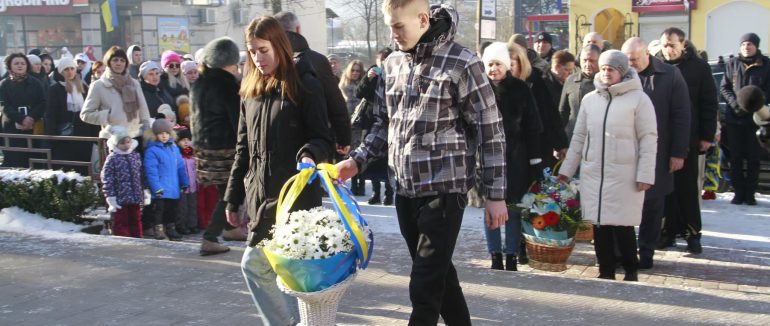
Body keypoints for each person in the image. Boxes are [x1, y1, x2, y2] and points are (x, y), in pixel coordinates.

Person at [336, 2, 507, 324]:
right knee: (439, 275)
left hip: (445, 186)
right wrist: (357, 162)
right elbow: (382, 124)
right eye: (390, 26)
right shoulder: (392, 64)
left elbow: (490, 130)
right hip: (404, 187)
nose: (393, 34)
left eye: (399, 26)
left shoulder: (462, 62)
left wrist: (495, 194)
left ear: (423, 20)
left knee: (425, 283)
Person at [225, 16, 332, 325]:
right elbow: (242, 150)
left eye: (264, 50)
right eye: (252, 51)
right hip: (260, 197)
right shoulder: (250, 91)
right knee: (281, 271)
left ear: (280, 47)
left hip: (295, 200)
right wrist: (233, 199)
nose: (258, 58)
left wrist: (310, 153)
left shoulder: (304, 84)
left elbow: (323, 137)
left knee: (257, 265)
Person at [558, 50, 658, 282]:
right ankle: (606, 269)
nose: (605, 73)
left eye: (610, 69)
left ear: (621, 72)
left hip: (625, 173)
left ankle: (630, 269)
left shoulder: (639, 100)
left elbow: (648, 138)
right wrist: (567, 170)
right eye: (603, 68)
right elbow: (579, 137)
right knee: (599, 224)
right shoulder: (590, 100)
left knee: (622, 225)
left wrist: (645, 174)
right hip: (595, 172)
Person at [621, 37, 691, 270]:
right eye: (627, 60)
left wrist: (678, 152)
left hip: (658, 152)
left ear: (647, 55)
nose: (630, 65)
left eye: (634, 60)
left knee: (652, 204)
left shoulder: (669, 75)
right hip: (624, 153)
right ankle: (625, 251)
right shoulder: (620, 75)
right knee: (625, 203)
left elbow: (681, 116)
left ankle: (647, 251)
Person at [656, 28, 718, 254]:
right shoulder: (656, 66)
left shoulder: (699, 68)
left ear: (683, 44)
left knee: (687, 188)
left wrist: (706, 136)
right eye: (664, 45)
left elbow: (709, 103)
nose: (668, 50)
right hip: (661, 138)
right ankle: (667, 232)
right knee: (664, 189)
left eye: (672, 45)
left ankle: (693, 234)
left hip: (688, 138)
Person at [481, 42, 543, 271]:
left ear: (506, 65)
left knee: (514, 208)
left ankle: (512, 255)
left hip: (515, 157)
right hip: (486, 157)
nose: (493, 69)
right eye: (489, 64)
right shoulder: (479, 89)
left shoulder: (520, 89)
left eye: (498, 63)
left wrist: (535, 161)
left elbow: (533, 126)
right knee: (491, 207)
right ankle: (495, 254)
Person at [190, 37, 247, 256]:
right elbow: (237, 120)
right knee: (231, 192)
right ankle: (210, 237)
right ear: (229, 61)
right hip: (225, 147)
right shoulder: (227, 84)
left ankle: (231, 229)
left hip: (204, 147)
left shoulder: (200, 82)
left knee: (225, 190)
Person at [274, 11, 353, 158]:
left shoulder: (266, 62)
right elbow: (335, 101)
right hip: (312, 144)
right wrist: (343, 137)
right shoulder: (317, 61)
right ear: (298, 30)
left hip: (275, 145)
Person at [81, 45, 151, 174]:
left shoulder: (134, 83)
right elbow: (85, 114)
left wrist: (146, 130)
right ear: (109, 62)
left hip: (135, 137)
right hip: (113, 140)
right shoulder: (99, 85)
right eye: (115, 60)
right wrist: (108, 115)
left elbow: (143, 110)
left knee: (136, 180)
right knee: (117, 181)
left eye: (122, 60)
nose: (119, 63)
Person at [719, 33, 770, 205]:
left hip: (755, 119)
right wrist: (736, 105)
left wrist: (754, 103)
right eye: (743, 44)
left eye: (749, 44)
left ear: (756, 46)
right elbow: (724, 88)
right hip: (734, 119)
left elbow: (767, 90)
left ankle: (750, 194)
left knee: (754, 159)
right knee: (736, 158)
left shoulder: (766, 65)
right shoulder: (732, 64)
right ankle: (738, 193)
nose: (746, 47)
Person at [509, 43, 568, 170]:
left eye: (511, 65)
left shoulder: (535, 80)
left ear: (520, 64)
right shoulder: (497, 85)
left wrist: (560, 144)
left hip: (538, 143)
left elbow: (550, 113)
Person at [43, 57, 99, 175]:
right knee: (66, 171)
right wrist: (51, 138)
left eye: (72, 68)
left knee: (84, 171)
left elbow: (91, 111)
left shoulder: (83, 88)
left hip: (84, 136)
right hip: (64, 138)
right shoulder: (55, 89)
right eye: (66, 69)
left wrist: (96, 135)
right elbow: (51, 115)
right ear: (61, 72)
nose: (70, 72)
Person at [355, 47, 394, 205]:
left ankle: (389, 193)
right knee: (372, 160)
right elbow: (359, 92)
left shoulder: (396, 74)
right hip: (373, 122)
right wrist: (367, 78)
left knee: (388, 162)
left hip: (390, 122)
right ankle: (376, 193)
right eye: (380, 61)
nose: (382, 64)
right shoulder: (373, 74)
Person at [143, 118, 189, 241]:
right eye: (161, 134)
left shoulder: (173, 149)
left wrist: (184, 182)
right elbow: (151, 172)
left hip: (173, 187)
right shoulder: (152, 151)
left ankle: (171, 229)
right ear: (155, 135)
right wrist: (156, 187)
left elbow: (180, 167)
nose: (164, 136)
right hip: (160, 188)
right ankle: (158, 230)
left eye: (166, 133)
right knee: (159, 211)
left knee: (172, 210)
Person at [0, 53, 46, 168]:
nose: (20, 66)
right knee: (14, 162)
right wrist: (20, 119)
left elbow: (42, 103)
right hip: (12, 128)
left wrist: (31, 118)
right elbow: (4, 105)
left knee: (34, 162)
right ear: (10, 66)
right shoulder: (4, 84)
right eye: (16, 63)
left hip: (32, 127)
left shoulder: (36, 83)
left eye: (23, 63)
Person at [101, 126, 146, 238]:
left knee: (136, 219)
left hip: (135, 196)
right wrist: (110, 196)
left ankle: (137, 238)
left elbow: (141, 174)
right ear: (116, 144)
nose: (126, 145)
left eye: (128, 142)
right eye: (122, 143)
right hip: (120, 197)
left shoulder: (135, 156)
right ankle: (122, 240)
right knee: (121, 221)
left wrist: (145, 189)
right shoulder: (112, 159)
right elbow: (107, 179)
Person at [560, 44, 600, 140]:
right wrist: (560, 142)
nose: (587, 64)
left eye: (592, 61)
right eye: (585, 60)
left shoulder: (606, 82)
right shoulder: (571, 80)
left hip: (598, 137)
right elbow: (562, 112)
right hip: (573, 136)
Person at [339, 59, 366, 195]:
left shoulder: (363, 85)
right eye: (353, 70)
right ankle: (353, 184)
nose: (355, 73)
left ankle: (360, 184)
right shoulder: (342, 86)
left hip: (359, 125)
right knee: (349, 154)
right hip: (346, 124)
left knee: (358, 154)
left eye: (358, 70)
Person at [175, 128, 199, 235]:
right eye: (183, 140)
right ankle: (181, 225)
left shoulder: (192, 154)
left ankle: (192, 225)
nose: (186, 142)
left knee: (192, 205)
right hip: (182, 186)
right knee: (182, 207)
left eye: (188, 139)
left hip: (193, 185)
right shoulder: (178, 155)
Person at [542, 50, 575, 114]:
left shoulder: (571, 83)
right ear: (557, 67)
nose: (571, 74)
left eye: (572, 70)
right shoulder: (542, 85)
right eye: (567, 70)